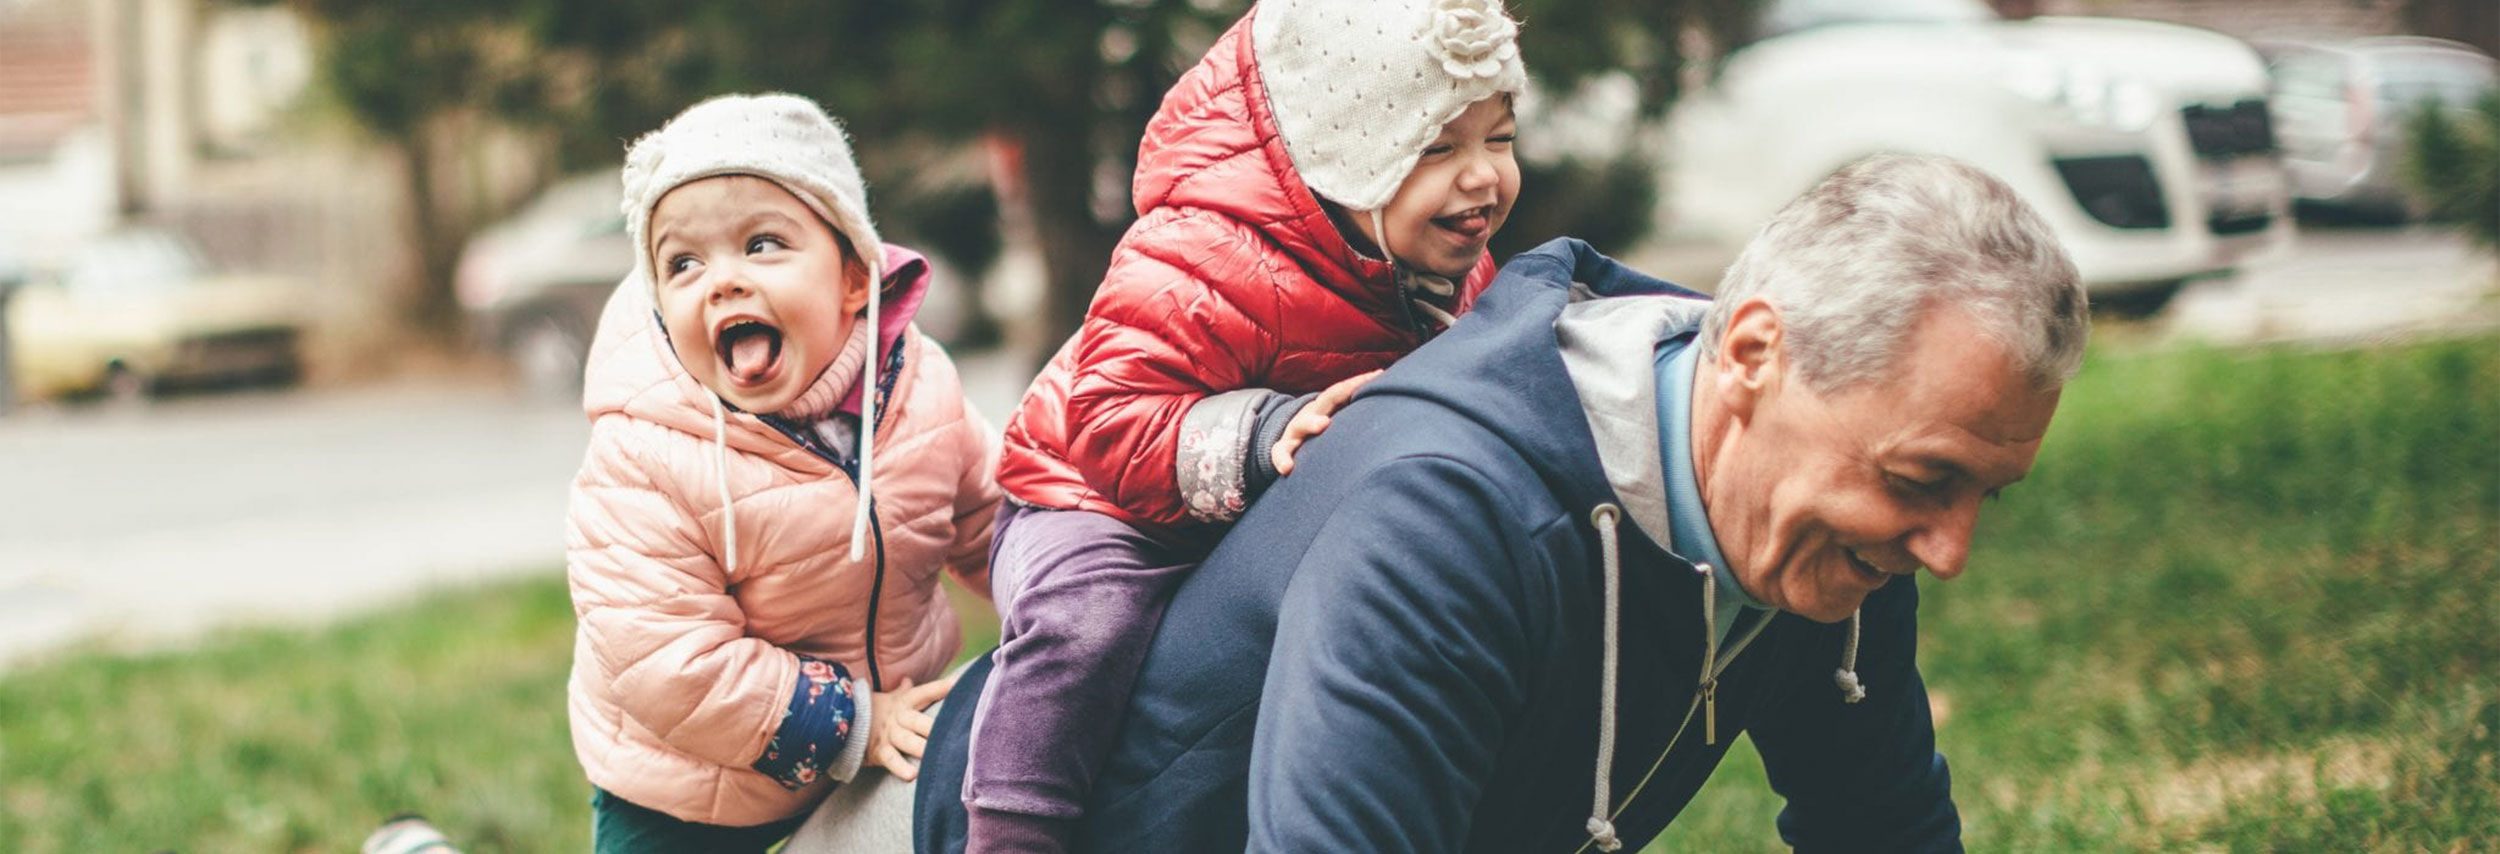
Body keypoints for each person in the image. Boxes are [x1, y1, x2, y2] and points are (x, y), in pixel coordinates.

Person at [916, 153, 2090, 852]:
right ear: (1751, 355)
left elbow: (1880, 826)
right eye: (1923, 483)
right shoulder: (1451, 515)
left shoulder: (1826, 527)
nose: (1949, 549)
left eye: (1983, 491)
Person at [955, 0, 1529, 851]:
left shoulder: (1442, 269)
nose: (1482, 176)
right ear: (1339, 154)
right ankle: (1015, 826)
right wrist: (1263, 436)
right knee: (1088, 624)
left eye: (1501, 137)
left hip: (1248, 510)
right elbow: (1110, 419)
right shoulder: (1196, 252)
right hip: (1090, 499)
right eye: (1438, 147)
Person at [564, 93, 1001, 853]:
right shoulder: (644, 453)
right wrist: (852, 724)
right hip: (683, 786)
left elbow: (994, 522)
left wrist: (1072, 606)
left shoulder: (920, 392)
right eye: (684, 262)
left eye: (763, 244)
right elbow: (666, 660)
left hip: (886, 739)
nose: (722, 281)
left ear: (854, 278)